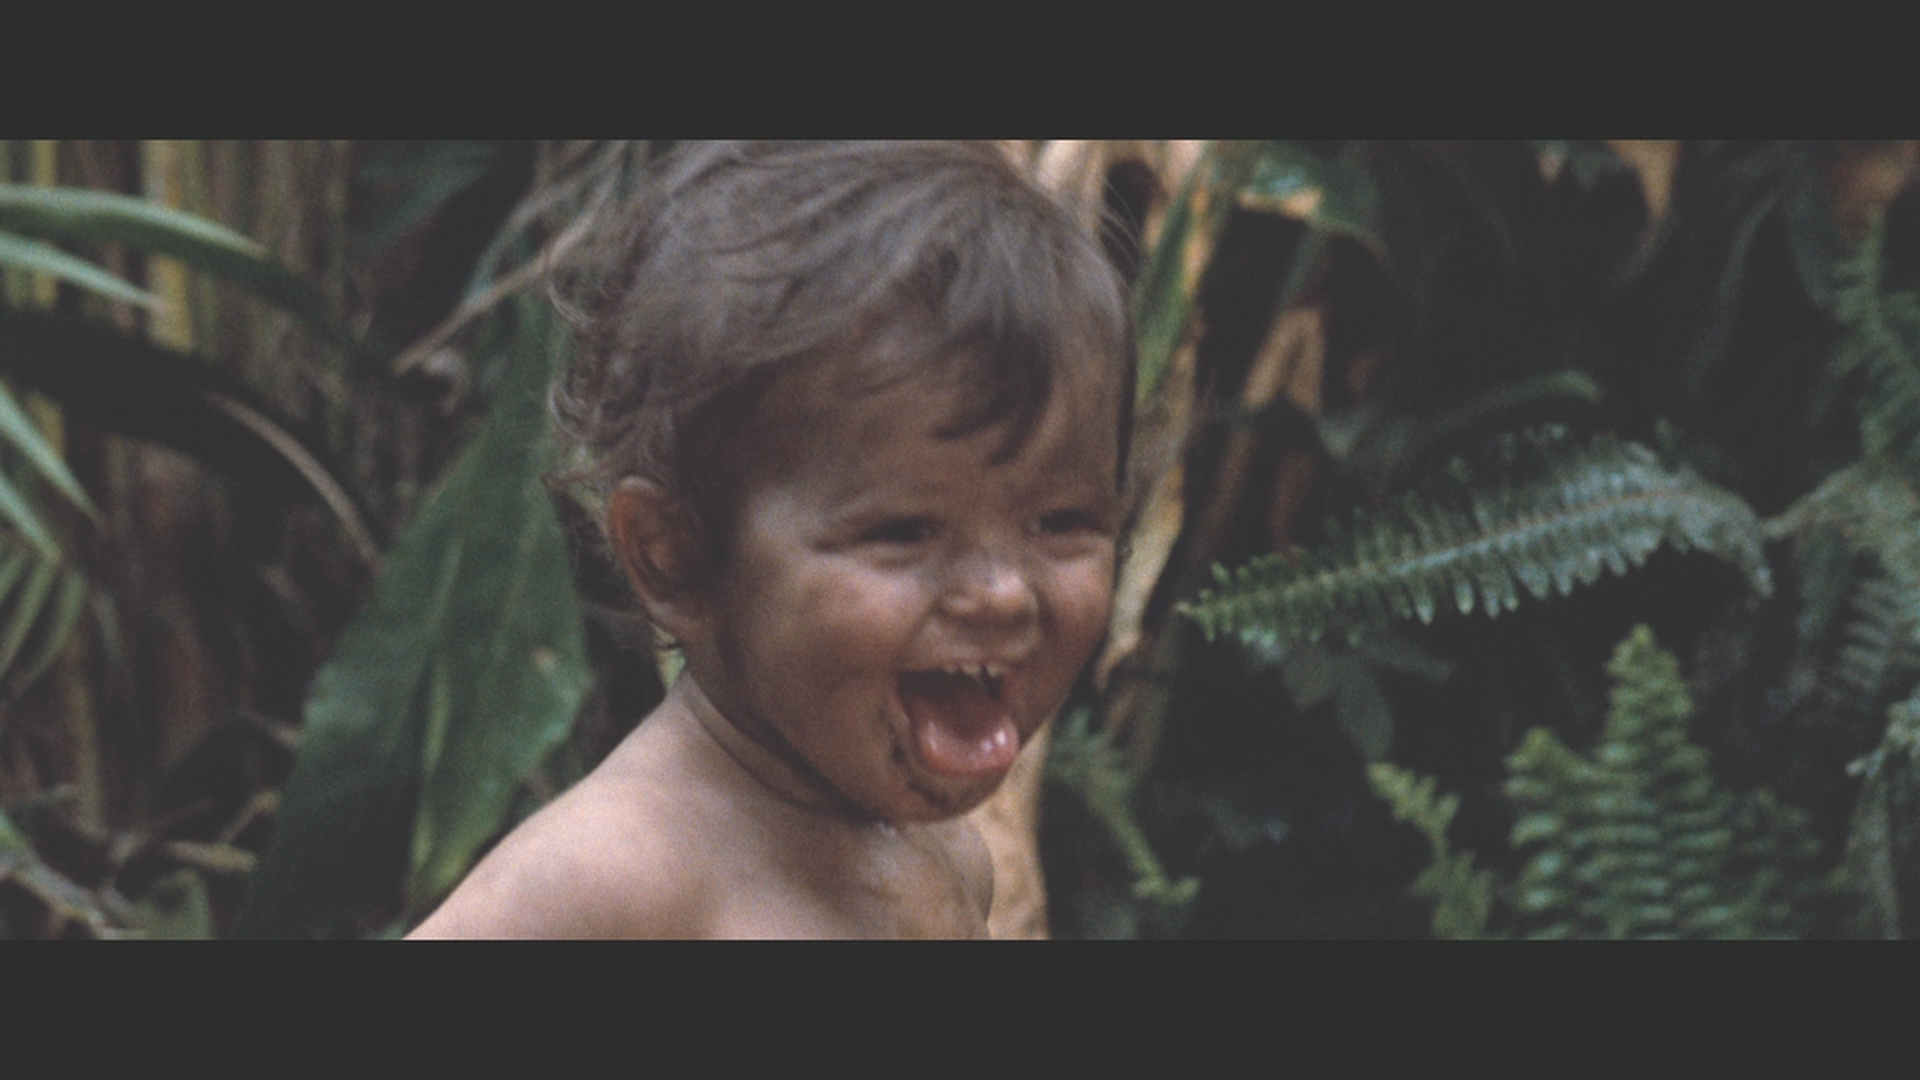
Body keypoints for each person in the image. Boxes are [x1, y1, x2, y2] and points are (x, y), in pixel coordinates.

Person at [409, 141, 1132, 938]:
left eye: (1060, 523)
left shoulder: (947, 858)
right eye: (906, 531)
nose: (1003, 593)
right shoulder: (611, 875)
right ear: (677, 557)